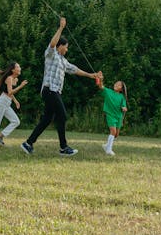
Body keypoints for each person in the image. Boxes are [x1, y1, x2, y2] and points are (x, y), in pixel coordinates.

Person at [21, 17, 102, 156]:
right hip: (50, 90)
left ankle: (28, 143)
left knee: (47, 119)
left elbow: (75, 69)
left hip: (54, 91)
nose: (67, 49)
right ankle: (63, 148)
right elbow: (52, 44)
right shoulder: (51, 55)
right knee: (62, 116)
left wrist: (91, 75)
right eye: (66, 47)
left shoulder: (64, 61)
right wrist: (61, 28)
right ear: (60, 46)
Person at [95, 78, 128, 155]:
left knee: (116, 135)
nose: (116, 84)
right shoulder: (108, 91)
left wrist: (124, 108)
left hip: (119, 117)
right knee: (113, 131)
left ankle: (106, 146)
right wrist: (100, 79)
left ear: (121, 89)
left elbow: (124, 106)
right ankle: (108, 150)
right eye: (116, 83)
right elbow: (101, 86)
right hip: (110, 115)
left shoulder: (122, 96)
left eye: (119, 84)